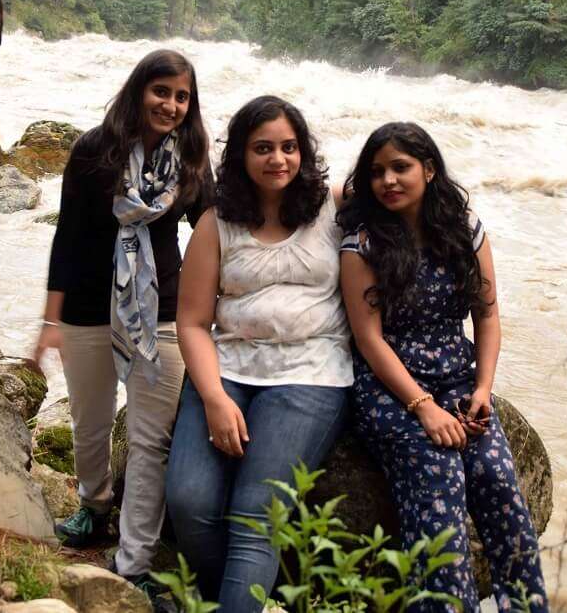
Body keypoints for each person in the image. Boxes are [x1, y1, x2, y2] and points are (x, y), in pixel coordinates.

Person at [338, 122, 549, 612]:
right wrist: (423, 407)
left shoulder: (464, 231)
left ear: (429, 170)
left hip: (458, 379)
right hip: (391, 389)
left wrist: (483, 389)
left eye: (401, 167)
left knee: (500, 487)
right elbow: (369, 340)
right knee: (440, 502)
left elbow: (488, 315)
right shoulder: (362, 245)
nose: (388, 180)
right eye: (377, 172)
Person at [34, 49, 212, 609]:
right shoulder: (94, 151)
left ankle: (133, 558)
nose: (172, 104)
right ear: (140, 90)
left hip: (162, 311)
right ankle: (94, 506)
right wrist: (49, 319)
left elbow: (213, 232)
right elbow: (67, 237)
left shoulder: (190, 159)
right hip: (88, 306)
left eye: (182, 96)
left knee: (149, 440)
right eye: (162, 91)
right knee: (89, 423)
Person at [166, 95, 352, 613]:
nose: (278, 160)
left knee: (255, 513)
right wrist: (214, 397)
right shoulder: (216, 223)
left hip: (311, 371)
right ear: (242, 156)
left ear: (304, 152)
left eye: (290, 148)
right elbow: (192, 322)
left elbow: (404, 189)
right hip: (227, 367)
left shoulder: (333, 207)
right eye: (263, 148)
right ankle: (222, 599)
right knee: (189, 502)